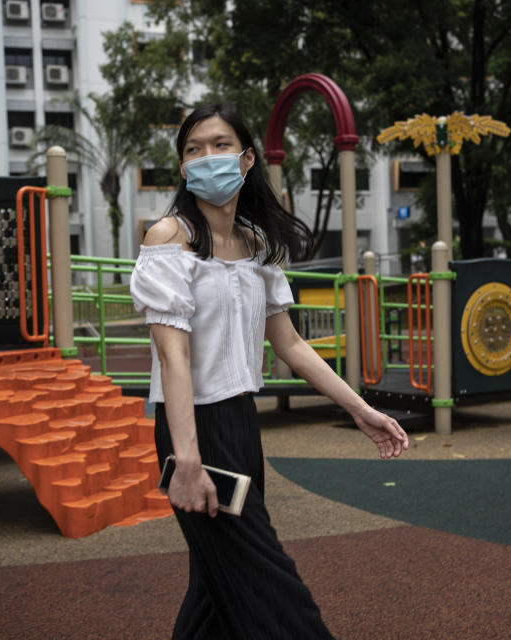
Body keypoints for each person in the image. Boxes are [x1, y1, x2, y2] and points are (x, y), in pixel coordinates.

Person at [130, 103, 408, 640]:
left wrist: (360, 408)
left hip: (239, 423)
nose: (206, 157)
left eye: (218, 144)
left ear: (247, 157)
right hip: (194, 429)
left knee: (217, 588)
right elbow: (173, 357)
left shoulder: (258, 246)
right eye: (193, 149)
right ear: (183, 168)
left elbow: (291, 345)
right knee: (270, 588)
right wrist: (187, 461)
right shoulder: (169, 238)